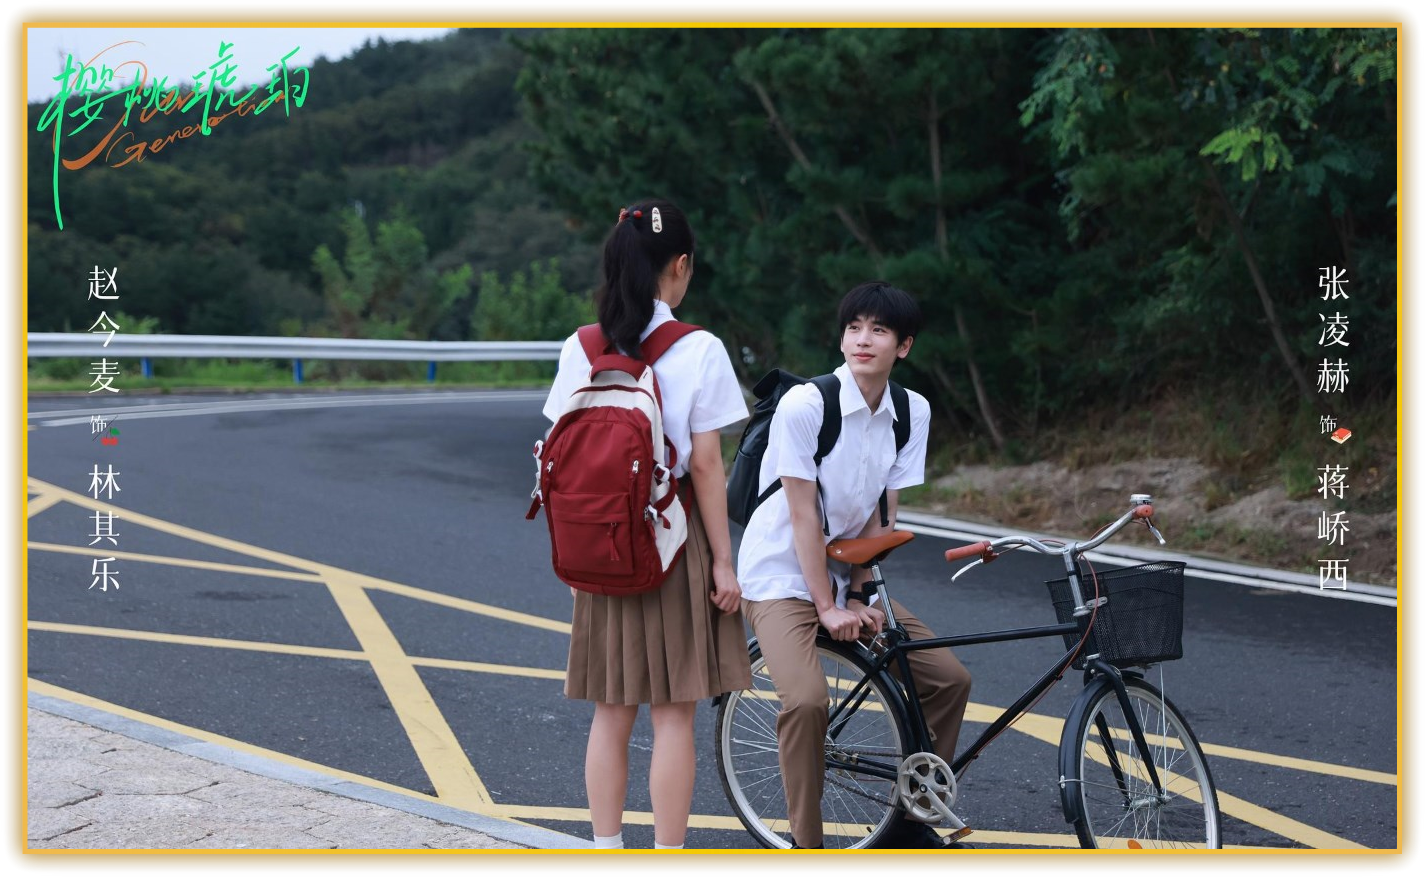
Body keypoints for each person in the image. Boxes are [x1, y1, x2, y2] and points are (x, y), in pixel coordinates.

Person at [542, 199, 751, 850]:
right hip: (673, 542)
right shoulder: (699, 349)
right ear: (679, 265)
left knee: (610, 713)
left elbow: (560, 451)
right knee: (672, 716)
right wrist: (724, 563)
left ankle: (605, 851)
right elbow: (706, 465)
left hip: (600, 540)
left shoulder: (580, 346)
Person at [736, 281, 972, 850]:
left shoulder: (911, 411)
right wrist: (826, 606)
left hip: (845, 571)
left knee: (947, 680)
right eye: (854, 327)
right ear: (842, 338)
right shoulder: (806, 405)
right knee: (806, 702)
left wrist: (861, 596)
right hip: (779, 574)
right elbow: (801, 516)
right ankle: (807, 848)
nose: (863, 339)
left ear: (903, 346)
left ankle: (910, 824)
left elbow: (879, 515)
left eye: (879, 330)